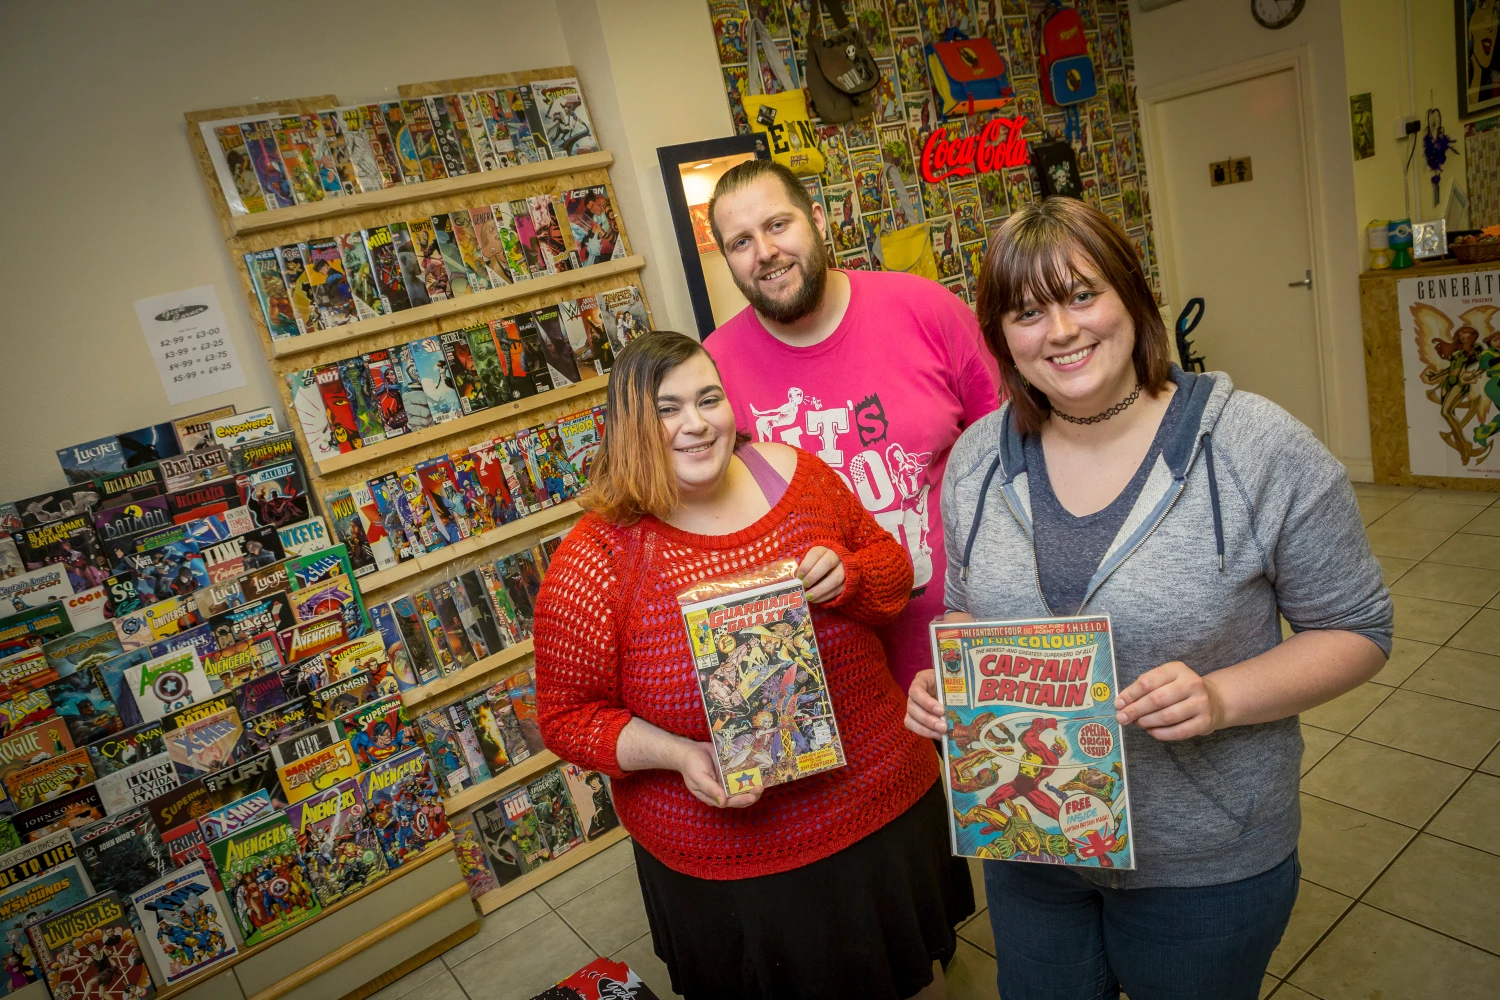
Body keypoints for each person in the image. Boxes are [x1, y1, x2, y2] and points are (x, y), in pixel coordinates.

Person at [904, 197, 1393, 999]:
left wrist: (1222, 695)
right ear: (1000, 338)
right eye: (1026, 312)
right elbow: (966, 610)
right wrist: (949, 679)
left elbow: (1358, 628)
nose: (1059, 331)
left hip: (1204, 858)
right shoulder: (975, 463)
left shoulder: (1256, 448)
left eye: (1081, 295)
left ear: (1134, 296)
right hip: (1033, 846)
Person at [534, 331, 973, 1000]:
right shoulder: (598, 558)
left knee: (917, 982)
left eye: (708, 398)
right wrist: (679, 755)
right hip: (736, 861)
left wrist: (850, 575)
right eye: (667, 407)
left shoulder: (796, 475)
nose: (695, 423)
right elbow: (567, 720)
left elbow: (891, 580)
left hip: (882, 809)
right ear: (629, 425)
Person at [703, 158, 1000, 700]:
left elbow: (1013, 456)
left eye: (777, 225)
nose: (765, 251)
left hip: (969, 646)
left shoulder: (925, 309)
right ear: (727, 261)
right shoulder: (712, 372)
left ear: (817, 219)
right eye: (740, 242)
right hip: (828, 689)